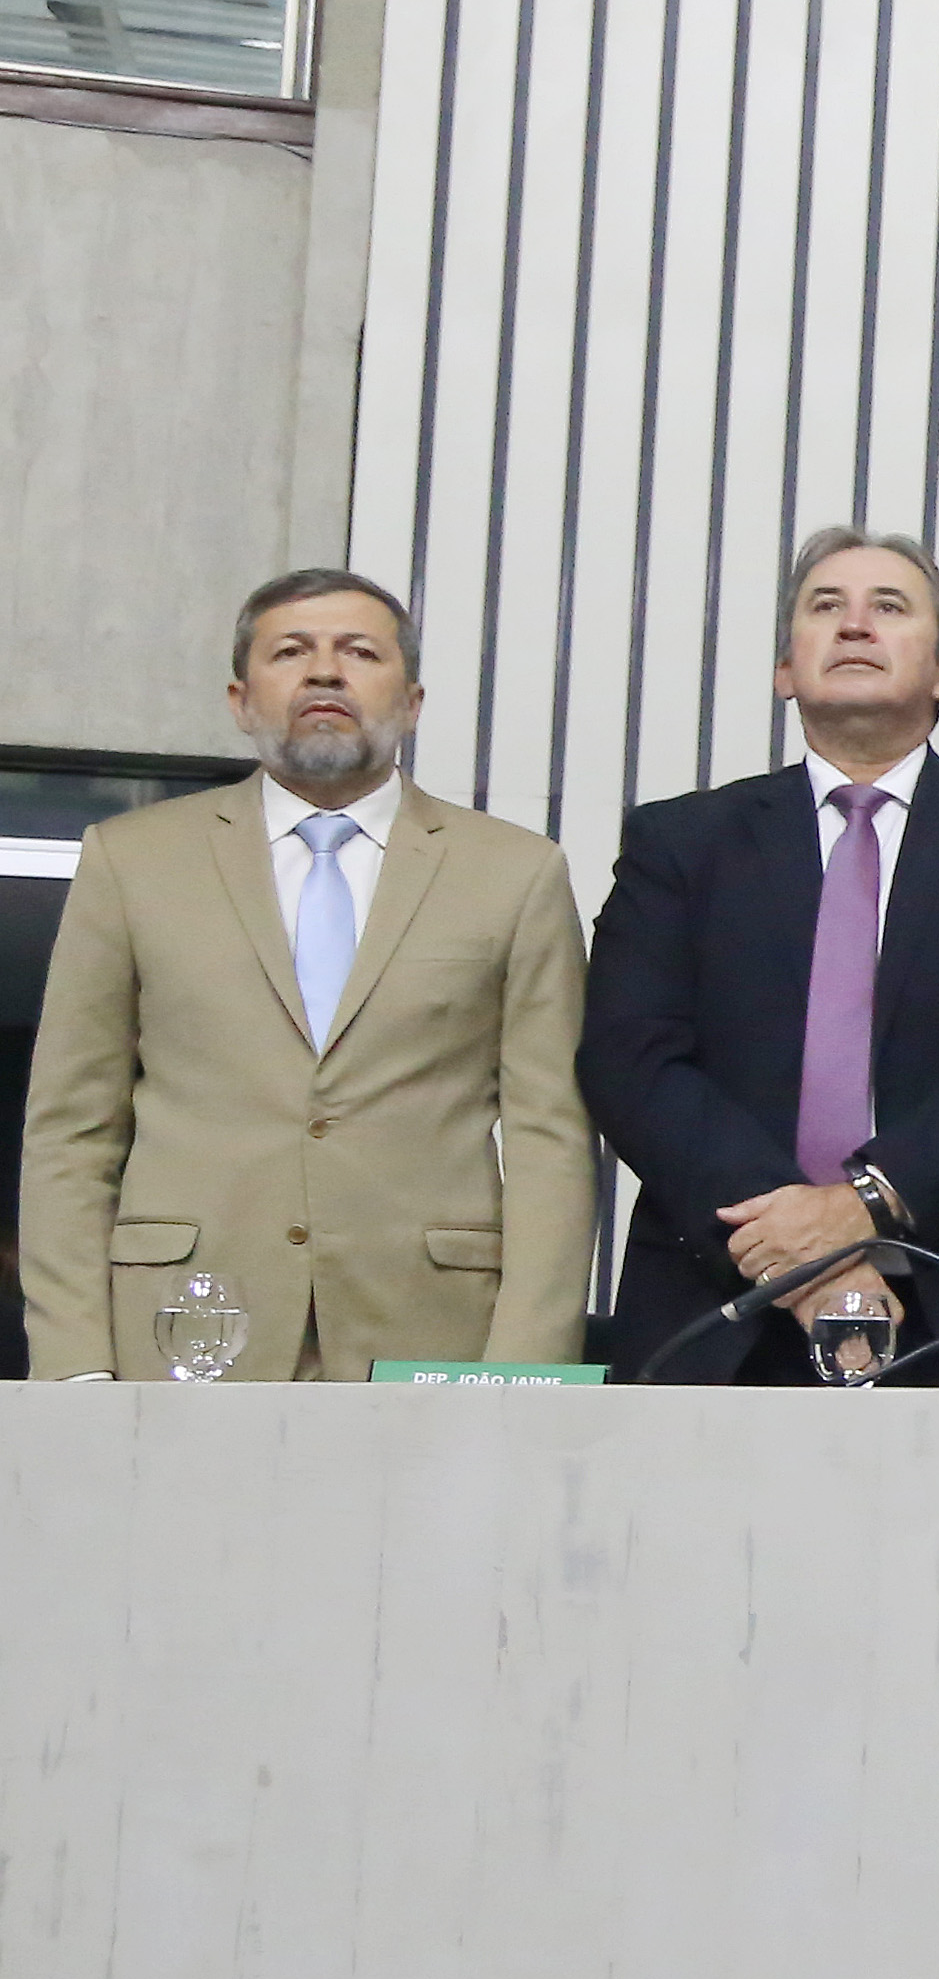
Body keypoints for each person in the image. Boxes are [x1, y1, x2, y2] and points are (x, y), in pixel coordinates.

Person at [20, 569, 592, 1379]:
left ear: (413, 702)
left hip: (432, 1328)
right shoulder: (132, 860)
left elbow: (551, 1139)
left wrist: (524, 1368)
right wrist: (74, 1362)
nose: (325, 672)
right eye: (291, 652)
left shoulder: (515, 872)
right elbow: (71, 1130)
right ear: (240, 700)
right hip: (182, 1323)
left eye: (360, 652)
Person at [577, 529, 939, 1385]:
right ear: (785, 670)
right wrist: (795, 1244)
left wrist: (868, 1203)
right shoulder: (681, 841)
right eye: (826, 606)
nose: (855, 625)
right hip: (721, 1300)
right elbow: (631, 1056)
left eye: (889, 608)